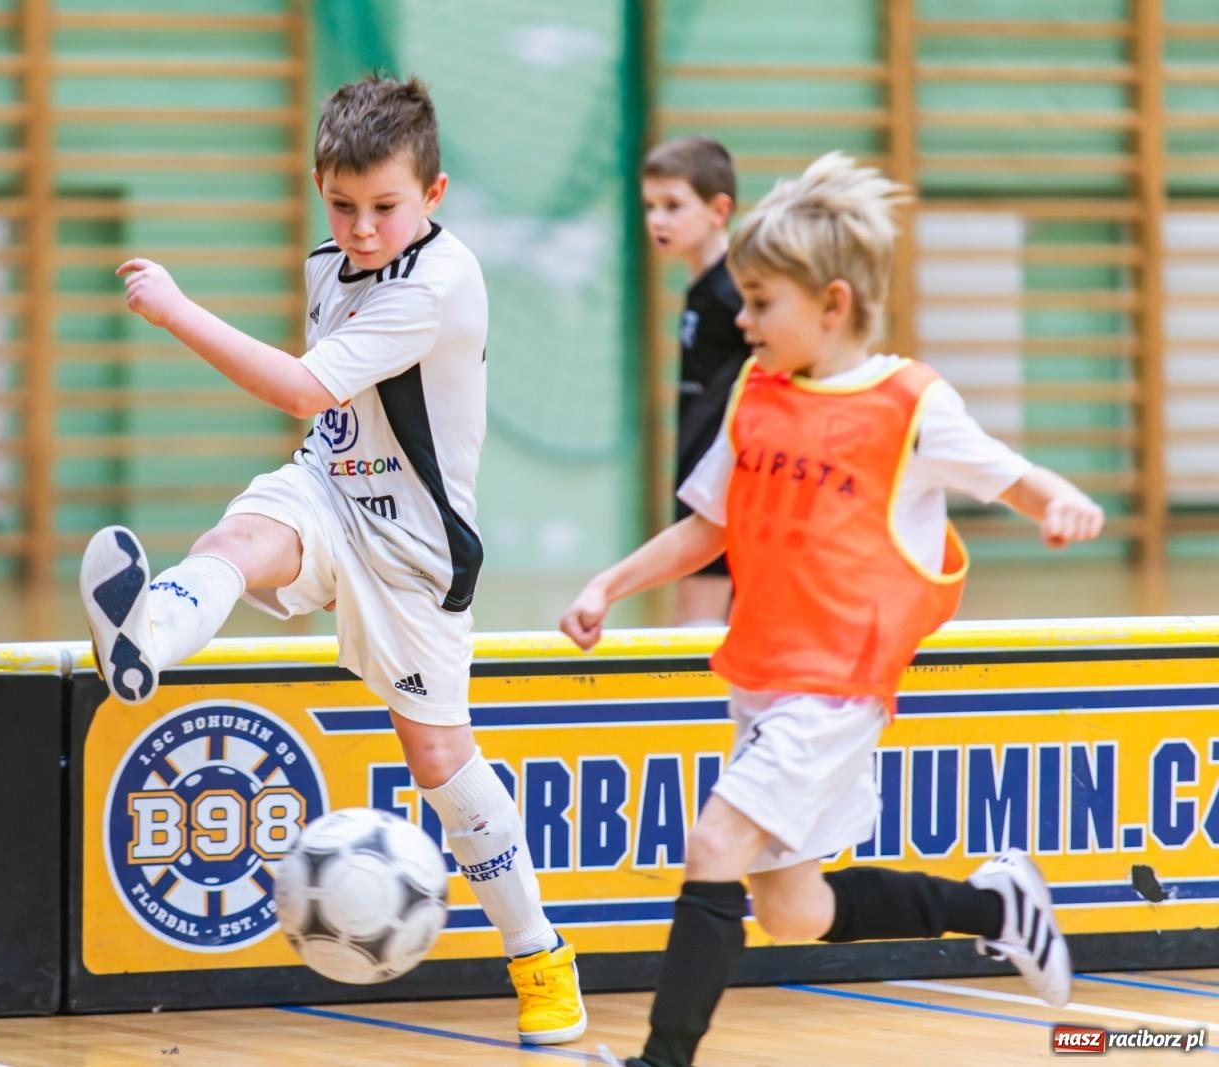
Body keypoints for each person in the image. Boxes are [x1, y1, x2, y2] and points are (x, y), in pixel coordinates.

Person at [562, 152, 1104, 1067]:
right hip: (764, 678)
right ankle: (996, 904)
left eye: (761, 301)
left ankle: (663, 1061)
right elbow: (706, 528)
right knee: (794, 908)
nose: (743, 319)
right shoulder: (757, 394)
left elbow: (1007, 471)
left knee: (714, 839)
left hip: (835, 689)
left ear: (834, 303)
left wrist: (1056, 500)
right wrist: (609, 584)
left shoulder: (910, 404)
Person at [79, 75, 586, 1045]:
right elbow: (331, 422)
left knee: (439, 758)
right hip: (326, 491)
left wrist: (177, 309)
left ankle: (541, 957)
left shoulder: (440, 281)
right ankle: (145, 634)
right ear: (321, 189)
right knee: (235, 539)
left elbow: (308, 387)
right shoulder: (332, 264)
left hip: (412, 552)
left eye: (384, 208)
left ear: (432, 198)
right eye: (341, 205)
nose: (360, 228)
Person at [642, 136, 750, 626]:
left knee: (697, 634)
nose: (657, 220)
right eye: (650, 206)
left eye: (672, 206)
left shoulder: (736, 295)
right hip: (698, 482)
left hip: (724, 487)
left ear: (718, 209)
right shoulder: (705, 289)